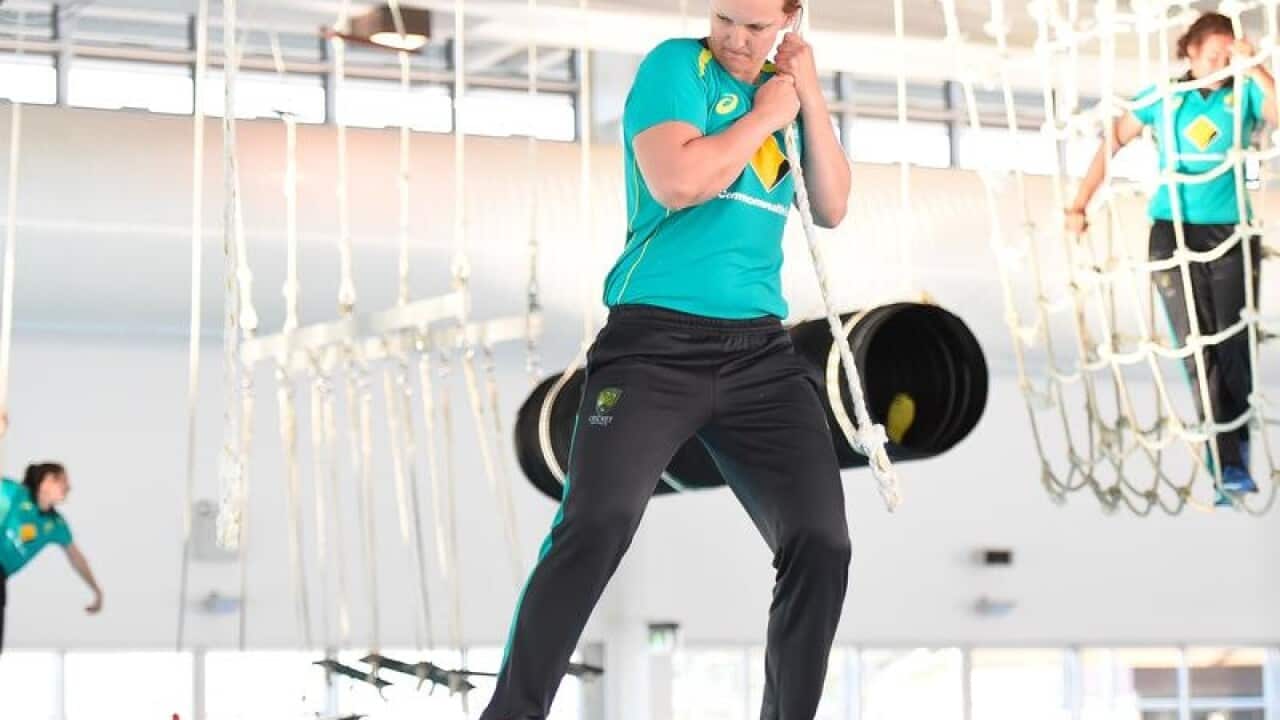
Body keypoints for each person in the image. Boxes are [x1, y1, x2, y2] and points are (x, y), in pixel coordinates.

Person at [479, 0, 852, 717]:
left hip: (760, 354)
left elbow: (831, 205)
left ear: (790, 18)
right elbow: (680, 183)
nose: (739, 41)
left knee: (821, 541)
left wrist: (806, 96)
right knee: (597, 523)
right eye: (725, 21)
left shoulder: (784, 89)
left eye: (756, 26)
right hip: (652, 345)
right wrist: (763, 117)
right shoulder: (675, 69)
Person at [1065, 11, 1275, 500]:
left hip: (1231, 233)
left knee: (1233, 346)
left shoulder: (1242, 93)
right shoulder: (1163, 97)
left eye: (1230, 54)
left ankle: (1234, 447)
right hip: (1173, 232)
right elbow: (1110, 144)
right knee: (1196, 348)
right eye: (1214, 55)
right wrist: (1079, 203)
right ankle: (1225, 462)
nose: (1222, 63)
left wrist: (1257, 68)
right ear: (1191, 52)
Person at [0, 421, 104, 652]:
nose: (69, 487)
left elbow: (77, 558)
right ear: (47, 481)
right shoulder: (14, 493)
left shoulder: (54, 524)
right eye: (63, 481)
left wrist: (95, 589)